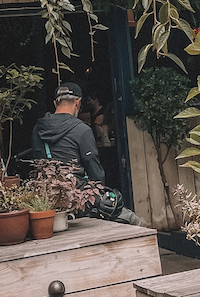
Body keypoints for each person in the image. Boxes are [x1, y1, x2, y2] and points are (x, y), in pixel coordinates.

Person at [31, 82, 141, 225]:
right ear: (78, 102)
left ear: (55, 103)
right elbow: (95, 173)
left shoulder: (37, 130)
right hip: (80, 200)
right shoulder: (82, 130)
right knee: (133, 220)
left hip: (47, 200)